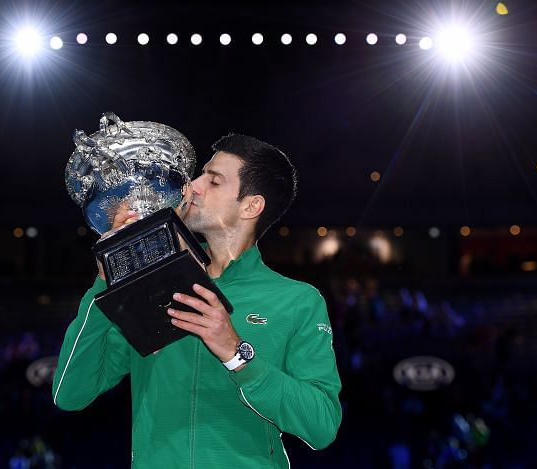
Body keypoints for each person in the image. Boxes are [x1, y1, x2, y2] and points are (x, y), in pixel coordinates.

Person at [52, 134, 342, 467]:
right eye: (200, 174)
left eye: (213, 181)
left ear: (251, 206)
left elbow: (322, 425)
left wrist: (237, 354)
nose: (193, 186)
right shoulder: (150, 287)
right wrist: (105, 284)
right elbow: (69, 394)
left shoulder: (297, 301)